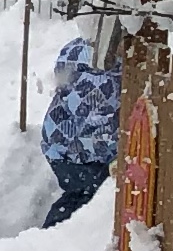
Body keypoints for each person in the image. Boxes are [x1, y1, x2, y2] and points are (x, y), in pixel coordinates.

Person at [36, 29, 122, 229]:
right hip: (72, 151)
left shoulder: (97, 59)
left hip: (76, 145)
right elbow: (96, 125)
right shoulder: (98, 79)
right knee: (84, 195)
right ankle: (53, 233)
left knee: (87, 194)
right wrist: (117, 152)